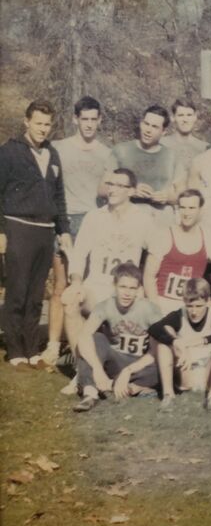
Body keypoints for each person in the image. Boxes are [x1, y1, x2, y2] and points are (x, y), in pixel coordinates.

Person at [39, 96, 117, 365]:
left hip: (94, 221)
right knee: (61, 285)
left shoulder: (107, 153)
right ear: (75, 119)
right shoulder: (59, 148)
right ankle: (53, 344)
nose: (89, 124)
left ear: (100, 120)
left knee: (88, 286)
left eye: (94, 119)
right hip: (66, 221)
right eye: (84, 119)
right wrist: (58, 223)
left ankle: (81, 346)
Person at [0, 99, 71, 366]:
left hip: (45, 231)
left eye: (47, 124)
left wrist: (64, 230)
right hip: (18, 227)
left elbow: (59, 196)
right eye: (38, 123)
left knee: (36, 293)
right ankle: (15, 350)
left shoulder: (52, 154)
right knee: (17, 291)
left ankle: (31, 349)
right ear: (26, 122)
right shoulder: (9, 152)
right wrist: (1, 231)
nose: (43, 129)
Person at [62, 168, 153, 355]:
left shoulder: (143, 219)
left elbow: (156, 253)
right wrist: (76, 282)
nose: (112, 189)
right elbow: (79, 254)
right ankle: (80, 364)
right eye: (110, 184)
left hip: (124, 291)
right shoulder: (94, 217)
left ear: (131, 191)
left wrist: (143, 287)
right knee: (71, 300)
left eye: (119, 185)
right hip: (96, 286)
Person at [72, 264, 161, 412]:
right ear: (114, 286)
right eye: (123, 287)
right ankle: (90, 393)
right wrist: (97, 369)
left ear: (139, 289)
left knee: (163, 363)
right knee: (95, 339)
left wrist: (128, 371)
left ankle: (128, 387)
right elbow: (84, 337)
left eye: (132, 288)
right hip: (115, 360)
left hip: (139, 364)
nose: (127, 293)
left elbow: (157, 348)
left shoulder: (150, 309)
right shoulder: (105, 306)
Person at [149, 278, 211, 414]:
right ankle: (168, 395)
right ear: (184, 302)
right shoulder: (179, 315)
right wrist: (175, 342)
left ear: (208, 301)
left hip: (208, 373)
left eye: (199, 306)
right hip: (187, 372)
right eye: (190, 306)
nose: (194, 312)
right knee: (163, 345)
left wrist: (202, 340)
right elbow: (154, 328)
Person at [143, 189, 211, 314]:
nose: (186, 213)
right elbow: (149, 276)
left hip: (193, 306)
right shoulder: (164, 235)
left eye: (191, 208)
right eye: (183, 208)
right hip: (163, 301)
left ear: (200, 210)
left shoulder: (208, 236)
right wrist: (155, 307)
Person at [112, 105, 183, 224]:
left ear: (164, 132)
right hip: (127, 220)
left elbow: (182, 194)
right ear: (141, 123)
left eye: (155, 127)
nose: (148, 130)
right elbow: (103, 189)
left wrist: (167, 197)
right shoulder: (122, 150)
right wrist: (130, 191)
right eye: (146, 124)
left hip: (161, 222)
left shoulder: (171, 156)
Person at [161, 99, 209, 184]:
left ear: (195, 117)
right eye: (181, 115)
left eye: (189, 115)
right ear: (173, 118)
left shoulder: (204, 148)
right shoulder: (162, 144)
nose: (185, 120)